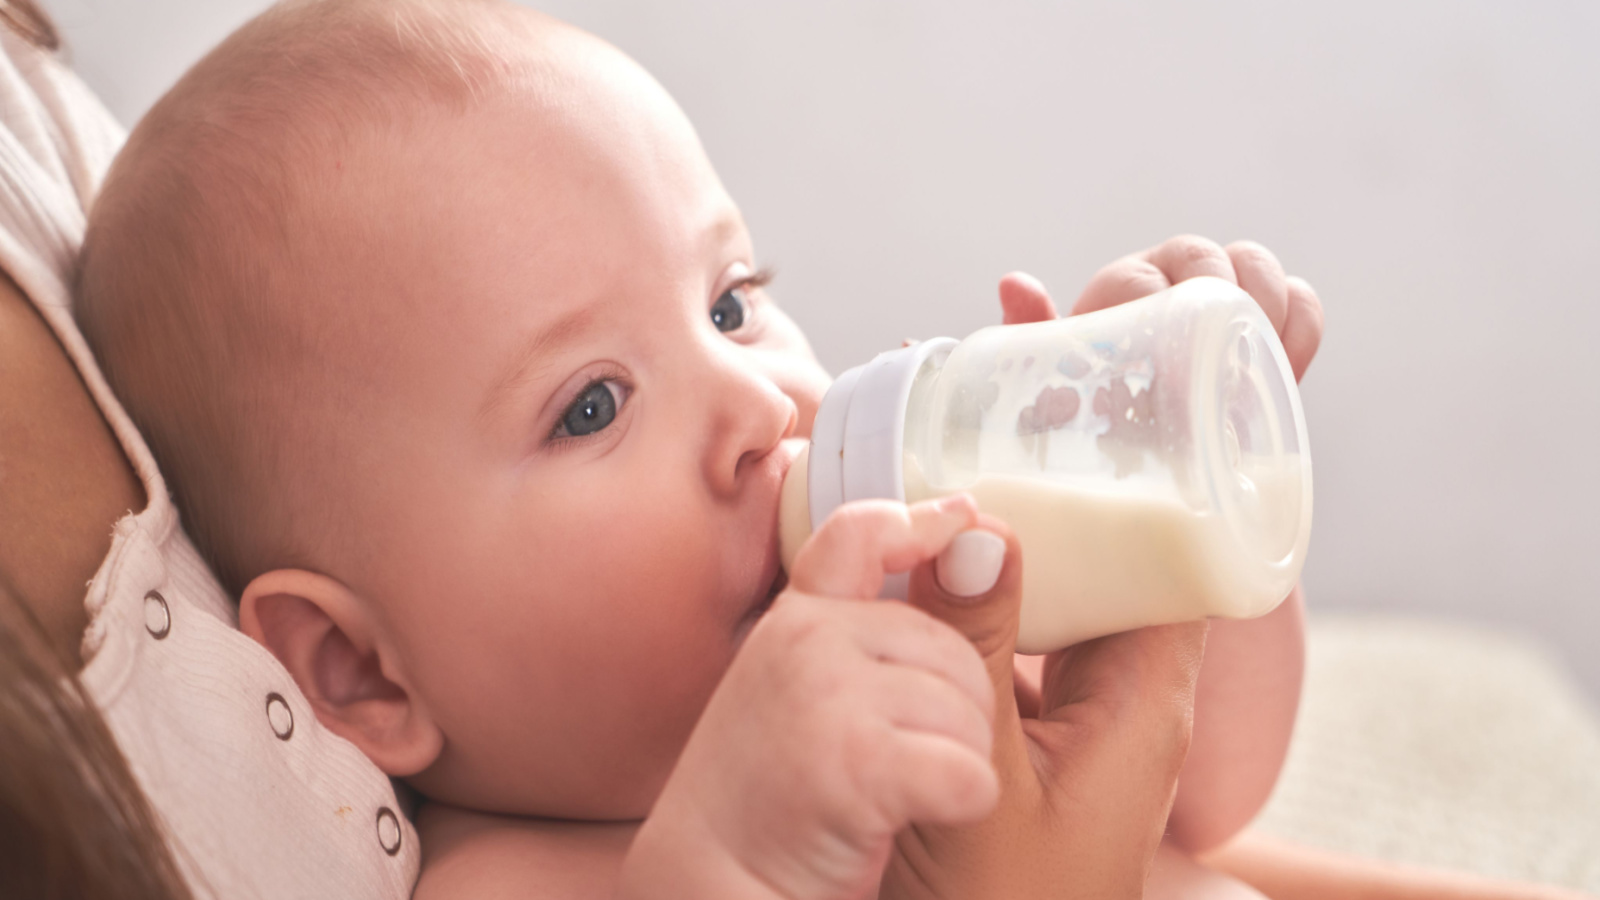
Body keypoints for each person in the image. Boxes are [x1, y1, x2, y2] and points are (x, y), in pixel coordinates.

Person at [73, 1, 1309, 896]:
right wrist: (734, 859)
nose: (758, 408)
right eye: (593, 407)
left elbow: (1204, 798)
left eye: (728, 304)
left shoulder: (927, 629)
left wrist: (1187, 536)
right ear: (359, 675)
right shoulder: (518, 882)